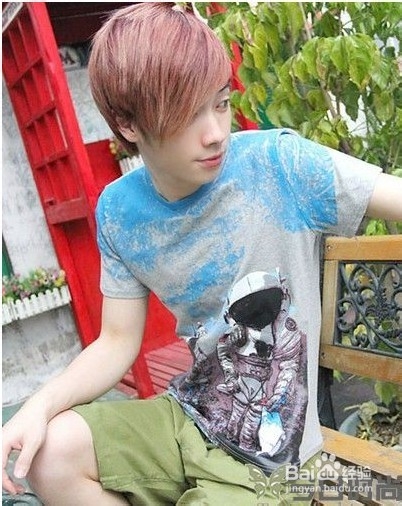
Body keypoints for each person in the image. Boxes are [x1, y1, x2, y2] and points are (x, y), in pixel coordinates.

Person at [2, 3, 402, 505]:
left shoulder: (278, 164)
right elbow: (116, 341)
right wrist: (38, 407)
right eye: (188, 114)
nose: (215, 132)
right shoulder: (120, 212)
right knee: (50, 455)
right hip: (188, 417)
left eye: (220, 103)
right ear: (128, 123)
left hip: (272, 459)